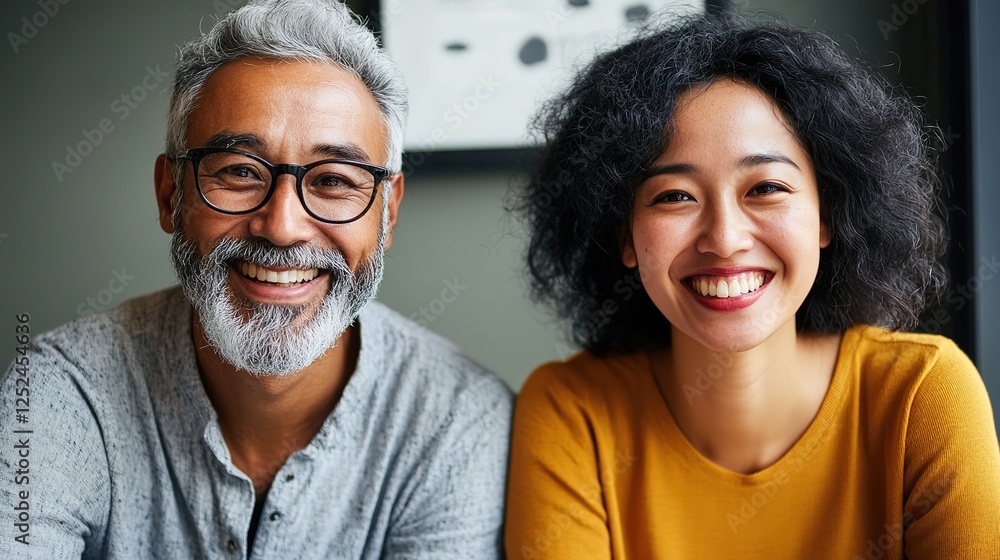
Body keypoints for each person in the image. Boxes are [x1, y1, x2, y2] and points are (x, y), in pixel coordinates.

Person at [0, 1, 512, 558]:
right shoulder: (59, 394)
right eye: (240, 172)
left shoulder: (460, 420)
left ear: (387, 212)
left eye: (334, 181)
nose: (283, 228)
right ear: (172, 194)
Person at [504, 14, 1000, 559]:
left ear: (827, 217)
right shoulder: (572, 411)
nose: (724, 239)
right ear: (624, 235)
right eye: (674, 196)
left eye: (765, 187)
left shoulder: (922, 395)